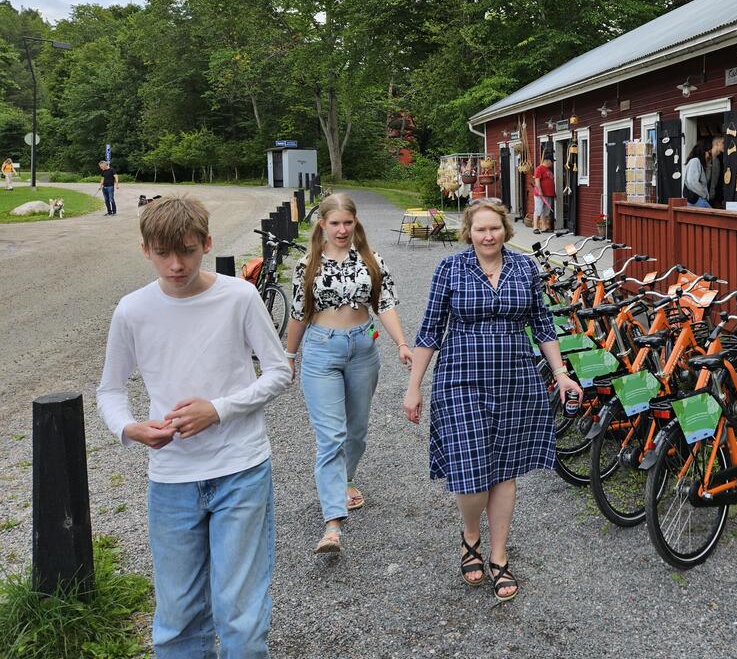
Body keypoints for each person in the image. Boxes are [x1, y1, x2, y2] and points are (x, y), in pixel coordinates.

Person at [96, 196, 291, 658]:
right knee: (178, 618)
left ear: (207, 243)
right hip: (170, 479)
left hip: (240, 470)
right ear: (145, 250)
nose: (176, 264)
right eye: (163, 253)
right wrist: (130, 428)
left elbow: (280, 372)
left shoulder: (238, 296)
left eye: (186, 250)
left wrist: (218, 409)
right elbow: (110, 390)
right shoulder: (131, 310)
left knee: (240, 618)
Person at [403, 199, 581, 602]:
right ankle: (471, 534)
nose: (488, 236)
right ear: (469, 232)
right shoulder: (451, 268)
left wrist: (561, 374)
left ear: (505, 230)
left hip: (516, 379)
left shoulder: (524, 268)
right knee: (470, 473)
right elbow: (430, 329)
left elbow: (542, 324)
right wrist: (414, 386)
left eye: (495, 229)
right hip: (460, 379)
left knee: (505, 470)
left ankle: (498, 555)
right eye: (481, 229)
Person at [285, 193, 412, 554]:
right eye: (335, 223)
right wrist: (290, 356)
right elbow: (298, 313)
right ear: (322, 224)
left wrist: (402, 343)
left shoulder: (371, 260)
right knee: (332, 435)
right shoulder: (306, 264)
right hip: (322, 349)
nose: (342, 230)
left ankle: (345, 479)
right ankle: (332, 524)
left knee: (356, 431)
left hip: (362, 347)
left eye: (348, 222)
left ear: (356, 223)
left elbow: (384, 304)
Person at [683, 136, 722, 208]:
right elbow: (692, 182)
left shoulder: (704, 164)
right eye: (708, 152)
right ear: (703, 151)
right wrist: (704, 194)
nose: (709, 155)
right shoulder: (695, 161)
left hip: (699, 200)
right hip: (695, 200)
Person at [532, 154, 556, 234]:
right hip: (540, 194)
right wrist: (540, 190)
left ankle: (544, 227)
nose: (552, 163)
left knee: (545, 212)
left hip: (549, 194)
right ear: (547, 160)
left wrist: (554, 194)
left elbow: (551, 182)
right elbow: (537, 180)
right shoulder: (539, 168)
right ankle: (535, 227)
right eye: (552, 161)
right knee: (538, 210)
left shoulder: (548, 170)